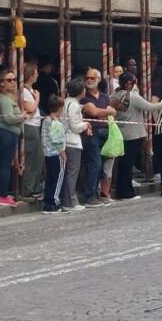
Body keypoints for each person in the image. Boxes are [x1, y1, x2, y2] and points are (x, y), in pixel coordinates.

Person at [111, 71, 162, 199]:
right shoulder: (134, 97)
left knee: (123, 164)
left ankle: (122, 190)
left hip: (121, 133)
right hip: (134, 134)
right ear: (130, 84)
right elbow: (152, 107)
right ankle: (127, 192)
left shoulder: (114, 95)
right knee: (128, 164)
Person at [0, 69, 26, 206]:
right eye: (9, 80)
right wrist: (21, 117)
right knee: (4, 165)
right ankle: (3, 195)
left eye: (14, 79)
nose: (13, 83)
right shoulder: (5, 100)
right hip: (6, 133)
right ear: (1, 83)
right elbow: (8, 119)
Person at [81, 68, 117, 207]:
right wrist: (107, 111)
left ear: (99, 79)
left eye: (92, 78)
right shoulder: (84, 97)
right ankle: (89, 196)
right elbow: (94, 112)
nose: (89, 80)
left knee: (101, 166)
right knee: (94, 164)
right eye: (87, 78)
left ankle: (98, 193)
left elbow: (113, 113)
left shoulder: (104, 96)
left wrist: (106, 112)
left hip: (105, 132)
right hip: (91, 134)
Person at [61, 78, 90, 210]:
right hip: (72, 141)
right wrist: (86, 124)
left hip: (65, 139)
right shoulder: (74, 106)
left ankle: (68, 200)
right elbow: (75, 126)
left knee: (69, 172)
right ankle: (71, 201)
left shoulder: (66, 102)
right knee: (72, 172)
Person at [20, 63, 45, 198]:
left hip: (34, 124)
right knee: (31, 157)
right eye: (35, 73)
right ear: (31, 75)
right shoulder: (24, 91)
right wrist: (37, 99)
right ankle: (28, 187)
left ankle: (34, 186)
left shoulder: (30, 90)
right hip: (29, 125)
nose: (37, 76)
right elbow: (30, 108)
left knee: (37, 157)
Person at [40, 95, 68, 213]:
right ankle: (54, 201)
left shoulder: (46, 120)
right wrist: (63, 153)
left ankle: (47, 201)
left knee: (50, 178)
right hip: (56, 153)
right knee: (58, 178)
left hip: (47, 153)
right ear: (60, 108)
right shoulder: (56, 123)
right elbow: (57, 140)